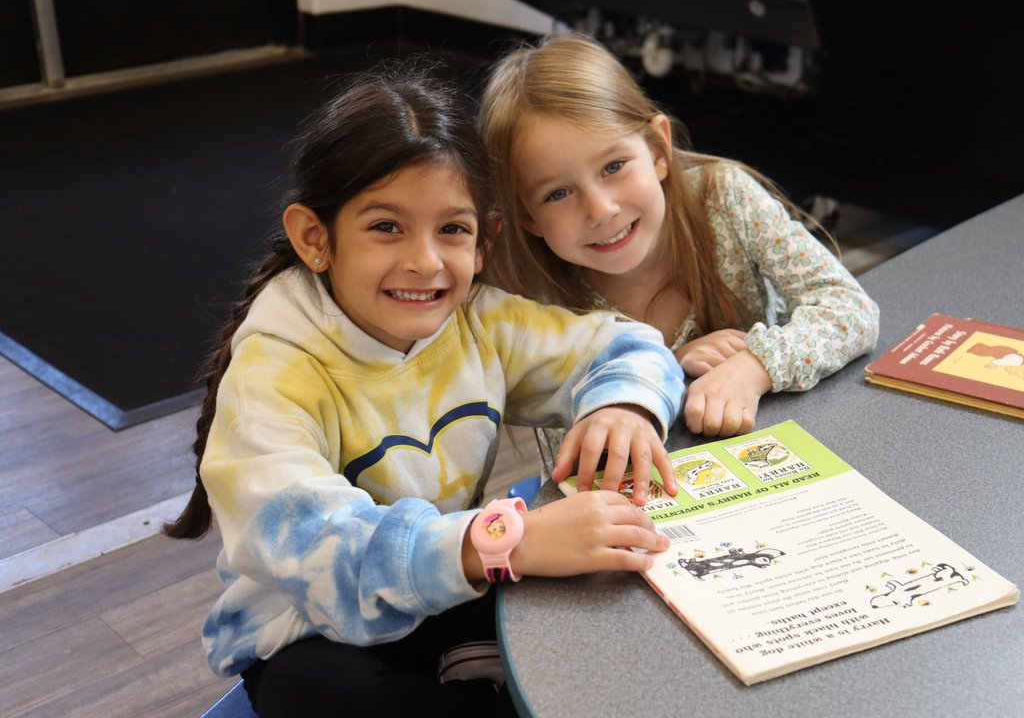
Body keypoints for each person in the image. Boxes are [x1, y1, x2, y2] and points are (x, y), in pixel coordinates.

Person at [161, 62, 685, 717]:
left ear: (484, 239)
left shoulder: (481, 320)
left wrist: (625, 405)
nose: (425, 261)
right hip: (313, 627)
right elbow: (322, 553)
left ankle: (474, 669)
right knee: (320, 694)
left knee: (606, 592)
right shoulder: (275, 370)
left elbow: (626, 345)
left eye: (452, 229)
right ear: (314, 238)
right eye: (386, 227)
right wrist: (506, 542)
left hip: (453, 580)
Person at [478, 32, 880, 443]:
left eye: (614, 166)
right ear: (528, 217)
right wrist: (667, 366)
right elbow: (579, 425)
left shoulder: (724, 198)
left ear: (657, 150)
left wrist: (753, 368)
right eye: (558, 194)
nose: (600, 210)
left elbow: (849, 309)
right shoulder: (534, 295)